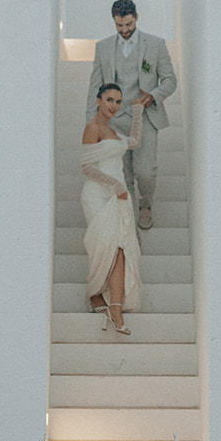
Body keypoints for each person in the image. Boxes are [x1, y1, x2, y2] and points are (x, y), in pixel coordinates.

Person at [85, 0, 176, 231]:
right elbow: (95, 87)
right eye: (119, 26)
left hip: (144, 117)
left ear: (136, 17)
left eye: (128, 24)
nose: (124, 30)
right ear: (114, 22)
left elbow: (170, 81)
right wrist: (91, 125)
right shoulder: (103, 47)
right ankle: (129, 226)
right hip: (113, 121)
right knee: (122, 174)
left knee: (145, 172)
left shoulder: (155, 45)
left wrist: (152, 95)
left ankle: (146, 204)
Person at [81, 83, 144, 334]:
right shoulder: (92, 128)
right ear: (98, 100)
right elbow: (86, 167)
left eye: (118, 102)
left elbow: (136, 141)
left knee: (120, 250)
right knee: (103, 247)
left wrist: (137, 110)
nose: (114, 106)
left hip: (118, 198)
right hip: (98, 196)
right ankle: (95, 294)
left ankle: (115, 310)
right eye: (109, 100)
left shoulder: (115, 132)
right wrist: (115, 184)